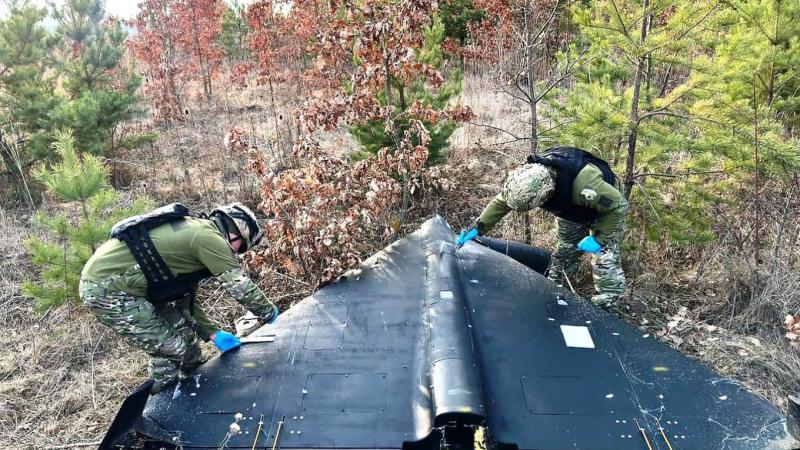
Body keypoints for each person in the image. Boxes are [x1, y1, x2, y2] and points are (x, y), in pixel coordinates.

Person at [79, 203, 279, 393]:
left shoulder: (197, 235)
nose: (237, 252)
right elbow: (238, 285)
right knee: (171, 348)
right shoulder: (207, 237)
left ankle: (193, 390)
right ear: (235, 231)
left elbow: (186, 298)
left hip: (133, 285)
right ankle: (159, 404)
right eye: (242, 247)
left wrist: (212, 333)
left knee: (188, 344)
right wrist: (270, 314)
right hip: (107, 287)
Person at [457, 147, 628, 307]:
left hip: (607, 212)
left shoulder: (586, 186)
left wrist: (599, 238)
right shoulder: (526, 181)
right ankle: (556, 294)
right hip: (571, 210)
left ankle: (608, 305)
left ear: (546, 194)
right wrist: (478, 227)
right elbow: (502, 202)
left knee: (605, 257)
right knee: (565, 251)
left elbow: (618, 206)